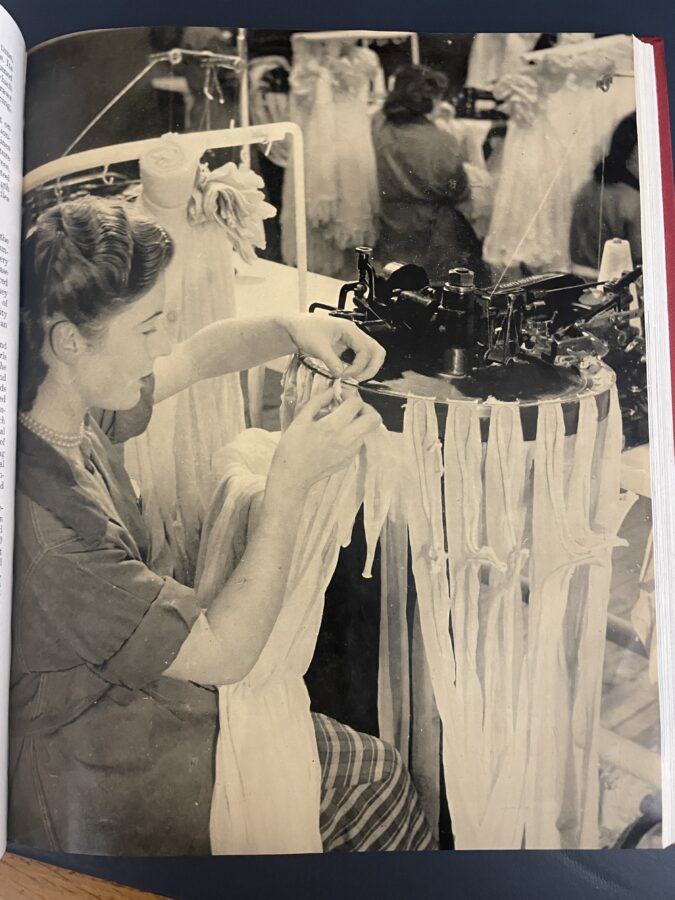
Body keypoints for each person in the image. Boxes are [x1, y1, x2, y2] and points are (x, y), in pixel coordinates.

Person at [9, 197, 435, 855]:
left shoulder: (60, 414)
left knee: (361, 765)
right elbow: (223, 655)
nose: (160, 346)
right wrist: (288, 485)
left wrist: (289, 328)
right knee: (375, 780)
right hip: (92, 776)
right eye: (148, 328)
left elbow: (194, 359)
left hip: (132, 705)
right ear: (70, 340)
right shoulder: (50, 534)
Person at [371, 64, 485, 283]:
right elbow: (459, 190)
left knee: (393, 283)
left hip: (391, 222)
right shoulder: (443, 141)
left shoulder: (380, 127)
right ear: (429, 100)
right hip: (432, 234)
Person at [570, 112, 641, 271]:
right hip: (617, 288)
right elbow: (640, 261)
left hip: (581, 284)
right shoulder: (632, 201)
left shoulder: (587, 188)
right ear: (632, 153)